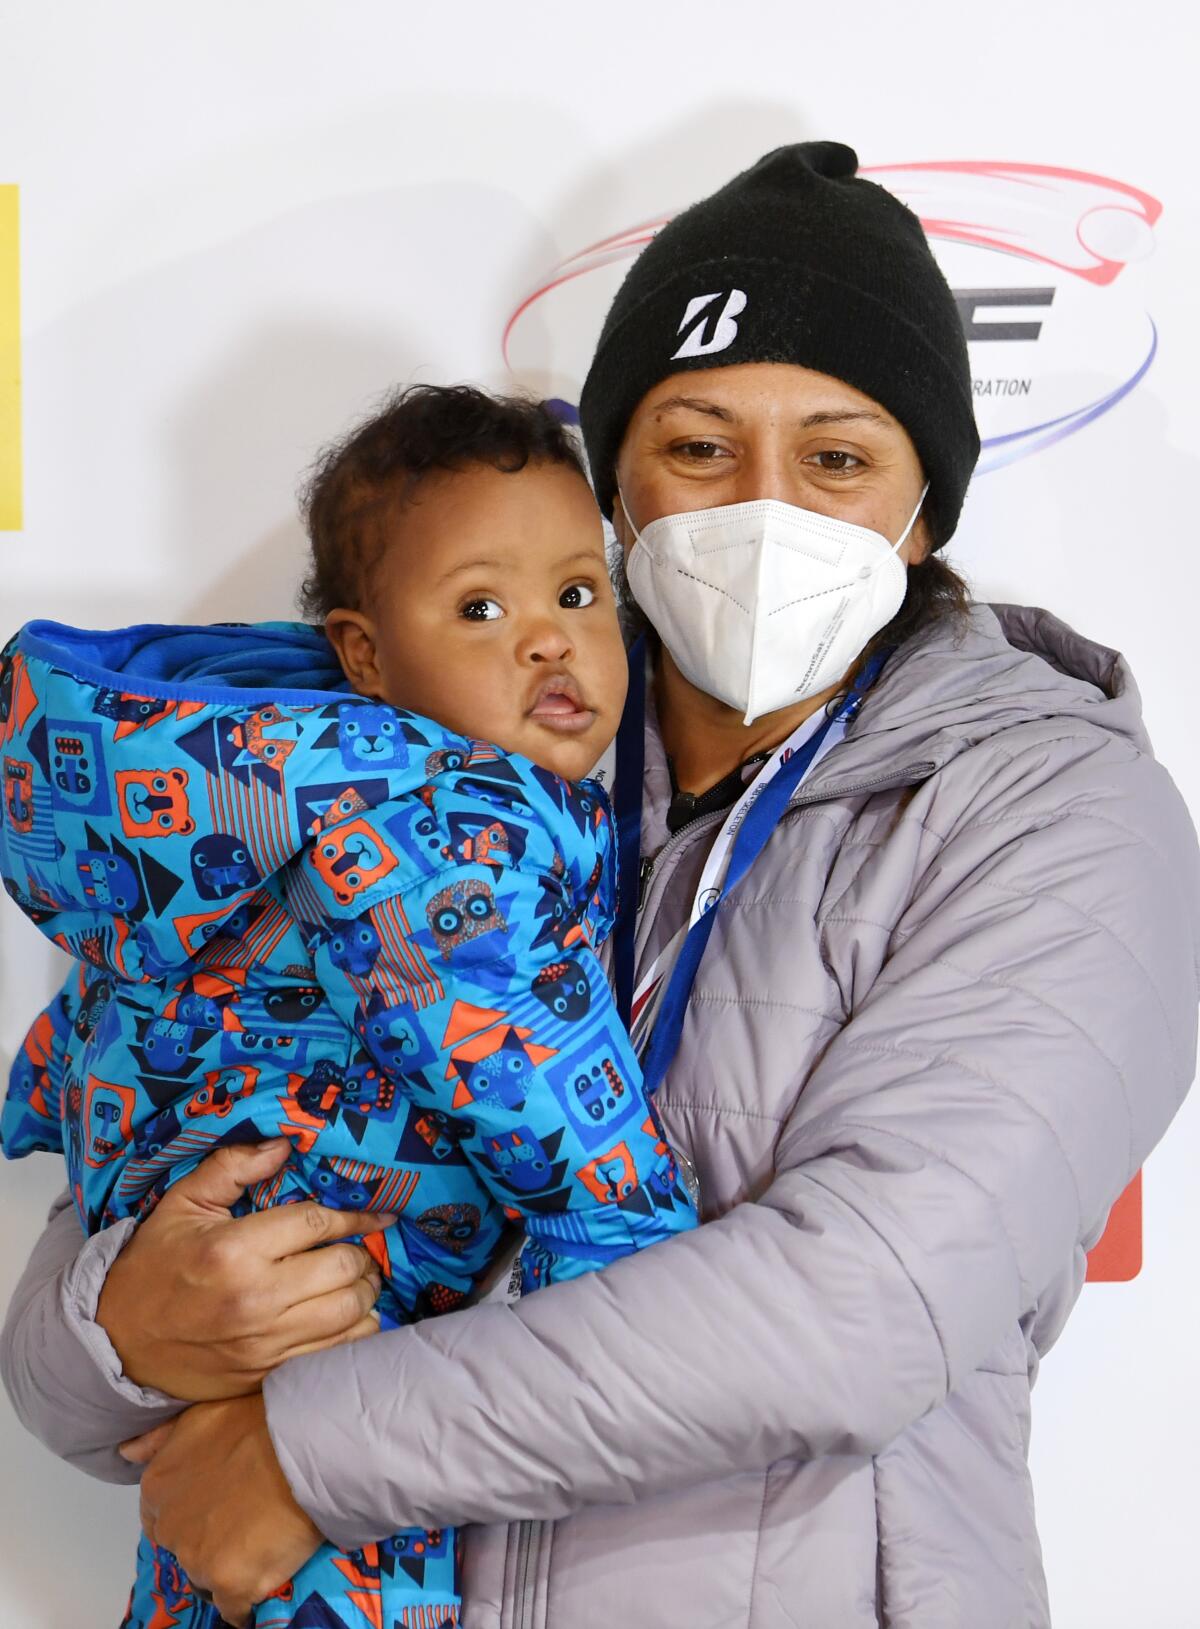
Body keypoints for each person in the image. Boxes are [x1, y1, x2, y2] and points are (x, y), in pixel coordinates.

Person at [4, 140, 1199, 1629]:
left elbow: (863, 1311)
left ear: (926, 510)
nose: (765, 510)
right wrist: (110, 1331)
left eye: (837, 457)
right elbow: (133, 1188)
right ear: (616, 483)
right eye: (699, 446)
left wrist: (311, 1456)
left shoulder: (1060, 815)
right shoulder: (418, 759)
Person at [0, 386, 695, 1629]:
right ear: (366, 653)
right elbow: (537, 1084)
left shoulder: (267, 779)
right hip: (329, 1314)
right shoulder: (445, 824)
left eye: (579, 595)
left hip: (220, 1279)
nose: (548, 640)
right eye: (482, 608)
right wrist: (635, 1242)